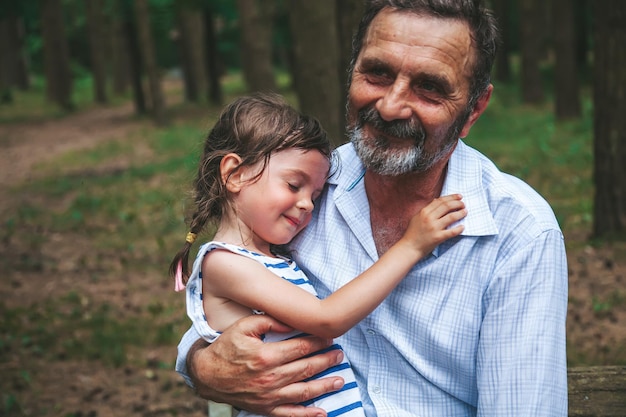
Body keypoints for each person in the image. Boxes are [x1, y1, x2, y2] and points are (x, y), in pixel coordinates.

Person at [176, 1, 569, 416]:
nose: (390, 106)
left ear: (473, 109)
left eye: (429, 88)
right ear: (352, 71)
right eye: (378, 73)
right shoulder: (305, 186)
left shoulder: (520, 232)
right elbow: (223, 300)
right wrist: (202, 366)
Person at [170, 92, 467, 417]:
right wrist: (411, 246)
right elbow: (327, 319)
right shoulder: (224, 263)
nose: (308, 205)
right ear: (234, 174)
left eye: (315, 195)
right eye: (293, 185)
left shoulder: (272, 259)